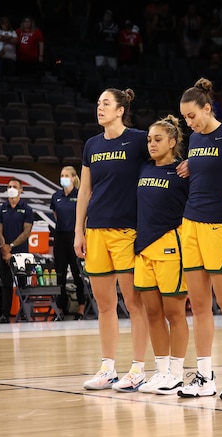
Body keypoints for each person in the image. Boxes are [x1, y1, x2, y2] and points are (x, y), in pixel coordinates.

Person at [175, 78, 222, 400]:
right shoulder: (193, 140)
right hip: (191, 225)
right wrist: (192, 164)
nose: (189, 123)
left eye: (192, 116)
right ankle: (204, 375)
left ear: (208, 108)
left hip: (221, 226)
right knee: (199, 306)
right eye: (185, 118)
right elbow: (207, 164)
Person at [75, 88, 151, 391]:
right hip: (96, 232)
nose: (99, 108)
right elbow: (85, 190)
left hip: (127, 232)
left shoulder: (137, 140)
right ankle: (107, 367)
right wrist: (79, 230)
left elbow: (164, 160)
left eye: (105, 103)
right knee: (104, 304)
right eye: (98, 103)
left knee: (134, 303)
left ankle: (138, 368)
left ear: (121, 110)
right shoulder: (92, 144)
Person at [132, 115, 190, 396]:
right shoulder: (143, 169)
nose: (151, 144)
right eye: (149, 140)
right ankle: (162, 371)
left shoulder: (182, 173)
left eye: (157, 139)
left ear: (173, 142)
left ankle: (177, 375)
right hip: (143, 250)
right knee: (153, 313)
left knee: (174, 313)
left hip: (171, 248)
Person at [50, 166, 86, 319]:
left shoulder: (79, 195)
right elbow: (56, 214)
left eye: (66, 175)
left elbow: (84, 217)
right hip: (60, 237)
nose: (63, 177)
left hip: (74, 236)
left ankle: (81, 309)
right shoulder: (56, 196)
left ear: (73, 178)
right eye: (61, 175)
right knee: (60, 274)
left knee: (77, 274)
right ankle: (61, 309)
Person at [0, 179, 34, 324]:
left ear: (21, 190)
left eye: (14, 186)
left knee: (23, 283)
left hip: (21, 253)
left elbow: (26, 232)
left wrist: (10, 246)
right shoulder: (1, 208)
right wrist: (4, 248)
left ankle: (24, 313)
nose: (11, 189)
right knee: (6, 284)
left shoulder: (27, 209)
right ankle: (5, 314)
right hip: (4, 251)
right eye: (9, 186)